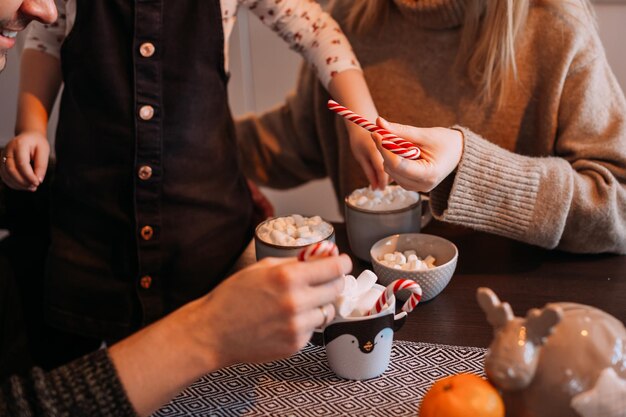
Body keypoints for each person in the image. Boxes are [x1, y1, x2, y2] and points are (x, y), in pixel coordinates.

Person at [0, 0, 386, 369]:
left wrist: (362, 118)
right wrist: (30, 128)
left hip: (207, 242)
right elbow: (46, 40)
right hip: (94, 241)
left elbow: (315, 30)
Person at [235, 0, 626, 254]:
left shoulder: (557, 31)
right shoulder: (350, 22)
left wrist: (467, 167)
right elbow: (296, 141)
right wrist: (197, 151)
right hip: (378, 318)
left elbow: (617, 207)